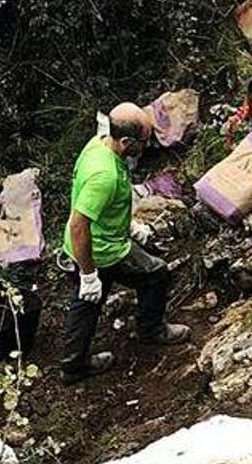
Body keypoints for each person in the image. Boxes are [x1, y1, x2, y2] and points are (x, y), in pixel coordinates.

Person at [62, 102, 190, 383]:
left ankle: (73, 364)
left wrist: (130, 226)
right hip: (100, 251)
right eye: (143, 143)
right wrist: (88, 274)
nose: (146, 148)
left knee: (86, 307)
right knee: (153, 273)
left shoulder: (99, 144)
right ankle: (151, 330)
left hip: (103, 240)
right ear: (126, 141)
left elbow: (105, 205)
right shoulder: (104, 176)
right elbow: (78, 224)